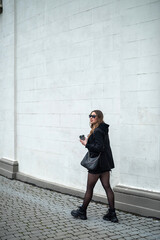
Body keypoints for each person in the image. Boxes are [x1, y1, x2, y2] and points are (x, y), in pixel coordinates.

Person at [71, 110, 118, 223]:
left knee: (89, 189)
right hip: (105, 164)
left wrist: (86, 144)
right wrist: (89, 142)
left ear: (99, 118)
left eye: (93, 116)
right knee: (107, 187)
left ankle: (82, 212)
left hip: (97, 165)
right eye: (90, 116)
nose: (91, 118)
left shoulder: (97, 131)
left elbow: (99, 148)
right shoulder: (103, 129)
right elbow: (101, 146)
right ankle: (112, 214)